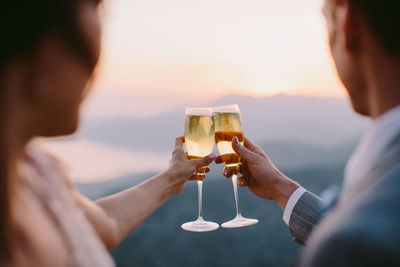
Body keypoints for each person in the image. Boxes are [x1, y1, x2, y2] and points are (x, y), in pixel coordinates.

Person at [0, 0, 215, 266]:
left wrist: (173, 176)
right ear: (41, 45)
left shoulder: (37, 174)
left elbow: (104, 224)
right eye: (96, 7)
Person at [217, 0, 400, 266]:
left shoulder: (358, 244)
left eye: (326, 20)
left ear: (347, 23)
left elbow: (360, 235)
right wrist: (279, 187)